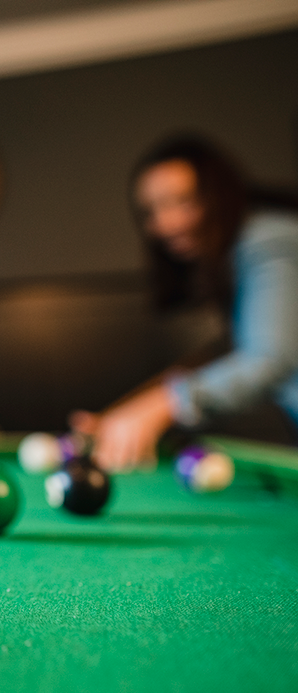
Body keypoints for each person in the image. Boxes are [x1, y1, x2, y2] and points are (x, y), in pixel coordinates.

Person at [71, 135, 298, 471]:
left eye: (183, 201)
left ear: (219, 194)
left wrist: (164, 405)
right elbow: (233, 350)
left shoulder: (268, 241)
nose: (166, 224)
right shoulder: (246, 249)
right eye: (152, 210)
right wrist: (127, 413)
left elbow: (271, 359)